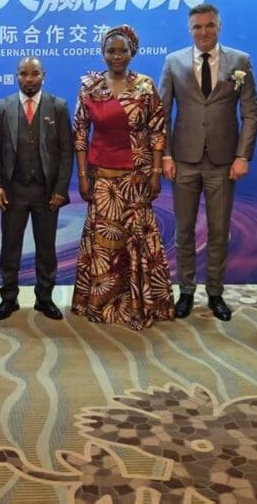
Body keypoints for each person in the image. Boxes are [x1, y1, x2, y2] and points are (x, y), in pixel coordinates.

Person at [159, 2, 257, 321]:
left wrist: (242, 155)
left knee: (219, 231)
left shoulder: (240, 61)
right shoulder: (173, 61)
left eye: (209, 25)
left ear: (219, 26)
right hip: (183, 161)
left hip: (223, 162)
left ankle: (215, 293)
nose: (203, 32)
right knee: (184, 231)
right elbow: (162, 114)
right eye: (197, 27)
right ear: (190, 30)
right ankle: (186, 291)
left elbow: (250, 113)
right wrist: (166, 155)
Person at [72, 25, 174, 330]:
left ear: (133, 53)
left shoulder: (145, 86)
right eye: (111, 50)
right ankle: (103, 304)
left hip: (137, 178)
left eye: (122, 50)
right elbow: (80, 133)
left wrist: (156, 172)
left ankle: (139, 304)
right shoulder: (90, 87)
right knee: (106, 245)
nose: (116, 56)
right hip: (102, 179)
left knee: (137, 241)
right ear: (102, 53)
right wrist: (82, 176)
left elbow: (157, 131)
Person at [0, 56, 73, 321]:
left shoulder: (58, 106)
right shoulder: (3, 107)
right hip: (13, 191)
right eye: (23, 74)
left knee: (46, 248)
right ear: (17, 76)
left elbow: (66, 150)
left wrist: (61, 189)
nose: (29, 79)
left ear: (43, 75)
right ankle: (8, 298)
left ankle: (44, 298)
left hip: (46, 192)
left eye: (34, 73)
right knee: (10, 247)